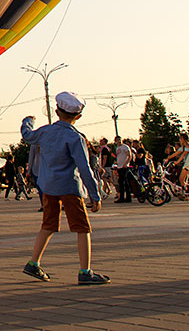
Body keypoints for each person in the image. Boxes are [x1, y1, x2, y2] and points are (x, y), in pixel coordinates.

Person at [20, 92, 109, 285]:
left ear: (56, 111)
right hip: (69, 187)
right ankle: (85, 271)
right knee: (82, 228)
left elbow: (27, 136)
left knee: (48, 225)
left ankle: (33, 263)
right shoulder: (75, 137)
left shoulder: (45, 132)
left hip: (48, 186)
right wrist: (95, 195)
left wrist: (27, 121)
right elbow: (84, 168)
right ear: (78, 116)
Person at [113, 137, 133, 203]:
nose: (118, 141)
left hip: (124, 167)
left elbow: (129, 155)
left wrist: (126, 163)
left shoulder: (125, 147)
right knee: (121, 182)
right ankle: (122, 197)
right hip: (119, 166)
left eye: (119, 140)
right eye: (117, 140)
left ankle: (127, 197)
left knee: (124, 182)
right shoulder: (117, 148)